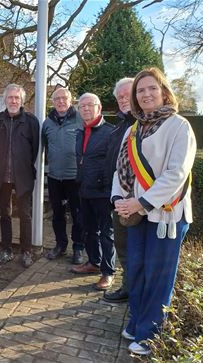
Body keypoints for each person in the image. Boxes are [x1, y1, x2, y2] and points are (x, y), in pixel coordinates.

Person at [112, 67, 196, 356]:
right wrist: (119, 199)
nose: (146, 94)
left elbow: (176, 174)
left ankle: (150, 334)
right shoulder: (134, 129)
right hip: (137, 215)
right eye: (140, 90)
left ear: (163, 91)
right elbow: (120, 171)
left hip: (166, 216)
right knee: (135, 270)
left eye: (151, 88)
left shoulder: (179, 126)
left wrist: (141, 202)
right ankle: (136, 322)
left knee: (158, 276)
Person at [0, 84, 40, 268]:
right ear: (4, 99)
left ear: (22, 101)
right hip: (1, 176)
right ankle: (7, 249)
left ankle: (26, 251)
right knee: (4, 214)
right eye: (10, 97)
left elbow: (34, 150)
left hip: (23, 175)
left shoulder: (31, 122)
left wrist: (22, 164)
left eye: (16, 98)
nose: (13, 101)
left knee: (25, 214)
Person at [70, 93, 116, 291]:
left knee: (107, 233)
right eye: (82, 106)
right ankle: (93, 263)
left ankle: (108, 272)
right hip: (85, 189)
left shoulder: (110, 132)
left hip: (103, 192)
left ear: (99, 107)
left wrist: (104, 184)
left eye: (90, 105)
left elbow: (113, 163)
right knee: (89, 229)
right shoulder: (81, 132)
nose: (86, 109)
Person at [41, 87, 85, 265]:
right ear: (52, 102)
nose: (60, 101)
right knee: (57, 214)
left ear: (71, 100)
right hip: (54, 177)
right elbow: (44, 146)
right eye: (57, 99)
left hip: (75, 177)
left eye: (64, 98)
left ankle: (78, 248)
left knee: (77, 214)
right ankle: (60, 245)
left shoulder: (80, 119)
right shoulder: (47, 123)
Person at [102, 78, 136, 304]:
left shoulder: (141, 125)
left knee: (134, 247)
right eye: (120, 97)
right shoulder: (120, 126)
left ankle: (132, 289)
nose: (123, 99)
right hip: (118, 197)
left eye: (127, 95)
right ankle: (128, 287)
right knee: (123, 245)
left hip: (139, 201)